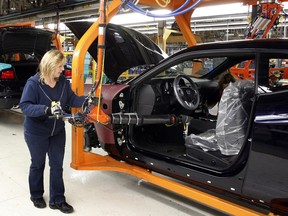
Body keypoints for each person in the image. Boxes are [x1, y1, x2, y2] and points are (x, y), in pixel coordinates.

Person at [19, 49, 86, 214]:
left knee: (57, 166)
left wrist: (87, 99)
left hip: (57, 132)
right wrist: (46, 110)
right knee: (38, 164)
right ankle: (36, 195)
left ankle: (58, 199)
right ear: (50, 65)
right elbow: (25, 106)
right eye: (60, 66)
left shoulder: (63, 82)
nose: (63, 69)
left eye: (63, 66)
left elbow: (72, 99)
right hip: (36, 133)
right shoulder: (33, 83)